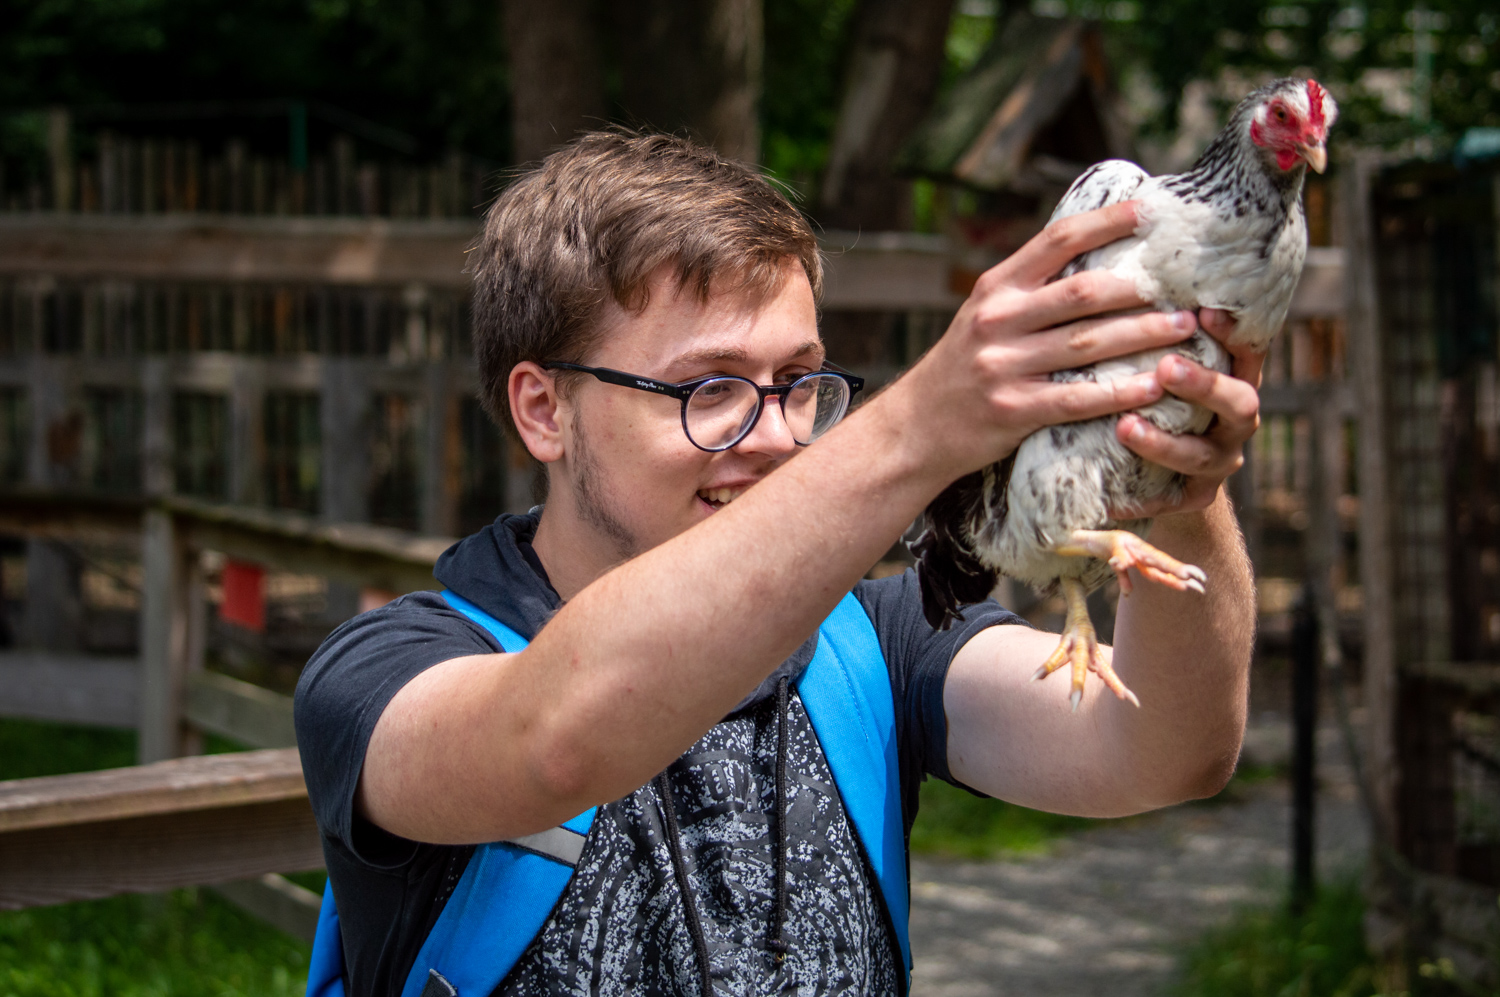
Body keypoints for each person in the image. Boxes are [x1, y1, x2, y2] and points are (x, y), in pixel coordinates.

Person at [294, 130, 1259, 997]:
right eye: (709, 388)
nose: (775, 436)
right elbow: (554, 743)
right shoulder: (382, 672)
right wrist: (920, 425)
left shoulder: (873, 643)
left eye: (797, 382)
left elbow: (1163, 749)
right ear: (544, 410)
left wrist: (1172, 475)